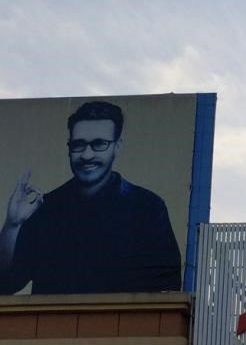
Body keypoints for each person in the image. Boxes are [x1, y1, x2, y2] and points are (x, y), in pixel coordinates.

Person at [0, 100, 182, 294]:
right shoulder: (44, 208)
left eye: (99, 144)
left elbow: (167, 286)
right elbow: (6, 284)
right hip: (53, 316)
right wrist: (12, 225)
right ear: (69, 148)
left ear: (117, 147)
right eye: (78, 145)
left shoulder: (147, 208)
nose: (87, 155)